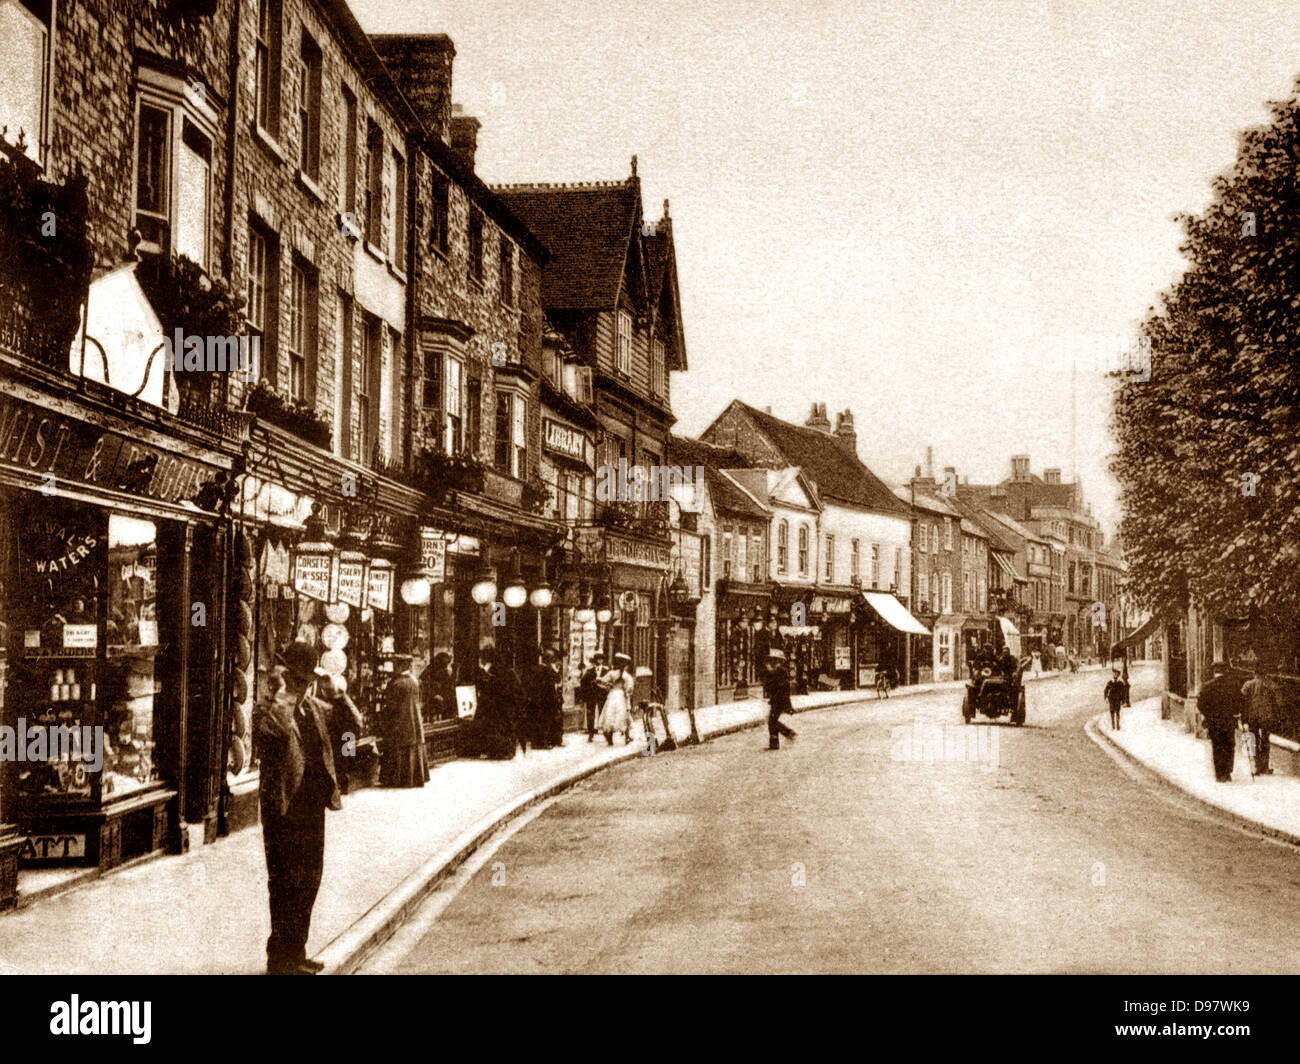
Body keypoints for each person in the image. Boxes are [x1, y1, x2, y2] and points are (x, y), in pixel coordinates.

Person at [253, 640, 362, 975]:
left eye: (307, 680)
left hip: (313, 807)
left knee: (309, 881)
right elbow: (275, 731)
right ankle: (279, 959)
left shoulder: (315, 707)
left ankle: (297, 951)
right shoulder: (266, 709)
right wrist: (285, 692)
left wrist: (338, 694)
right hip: (283, 809)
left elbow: (354, 728)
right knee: (285, 882)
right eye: (298, 680)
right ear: (285, 676)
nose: (304, 686)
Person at [381, 655, 428, 787]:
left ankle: (397, 779)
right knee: (413, 747)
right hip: (414, 721)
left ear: (400, 666)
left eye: (395, 665)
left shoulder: (396, 683)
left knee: (398, 748)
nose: (393, 668)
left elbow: (390, 706)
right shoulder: (414, 680)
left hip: (399, 722)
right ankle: (414, 778)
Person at [472, 645, 522, 760]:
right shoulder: (505, 669)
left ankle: (498, 751)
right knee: (505, 727)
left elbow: (487, 686)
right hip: (505, 705)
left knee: (497, 727)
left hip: (495, 705)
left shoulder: (490, 670)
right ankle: (506, 751)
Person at [1198, 660, 1242, 783]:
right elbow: (1239, 701)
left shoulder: (1207, 686)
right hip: (1228, 721)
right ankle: (1228, 772)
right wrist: (1235, 712)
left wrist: (1208, 715)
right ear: (1225, 671)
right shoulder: (1232, 685)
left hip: (1214, 723)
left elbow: (1200, 704)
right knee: (1229, 745)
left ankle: (1219, 774)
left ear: (1214, 671)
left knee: (1217, 746)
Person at [1242, 658, 1284, 776]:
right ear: (1265, 673)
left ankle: (1255, 767)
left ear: (1254, 673)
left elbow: (1242, 700)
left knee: (1253, 739)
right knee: (1265, 740)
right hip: (1267, 717)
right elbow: (1280, 702)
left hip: (1252, 717)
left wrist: (1243, 715)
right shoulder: (1271, 685)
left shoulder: (1248, 685)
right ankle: (1264, 767)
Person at [596, 652, 635, 745]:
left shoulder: (612, 673)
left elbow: (601, 681)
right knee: (624, 714)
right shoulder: (626, 676)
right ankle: (627, 736)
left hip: (612, 695)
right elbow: (629, 688)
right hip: (621, 696)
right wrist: (627, 693)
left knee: (609, 714)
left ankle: (609, 738)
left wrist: (607, 687)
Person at [764, 647, 797, 750]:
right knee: (772, 720)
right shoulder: (778, 670)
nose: (772, 661)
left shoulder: (780, 670)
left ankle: (787, 734)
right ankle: (777, 741)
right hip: (778, 700)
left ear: (778, 660)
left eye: (774, 659)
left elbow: (779, 687)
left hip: (779, 700)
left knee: (772, 721)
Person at [420, 650, 456, 723]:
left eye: (446, 666)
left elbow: (449, 687)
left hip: (444, 703)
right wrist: (433, 695)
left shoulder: (445, 673)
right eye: (444, 666)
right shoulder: (429, 671)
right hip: (431, 704)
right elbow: (423, 685)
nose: (445, 669)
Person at [578, 652, 607, 742]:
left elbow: (609, 682)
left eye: (601, 659)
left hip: (602, 695)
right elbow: (583, 682)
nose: (600, 661)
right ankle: (591, 733)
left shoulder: (606, 671)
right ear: (595, 660)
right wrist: (586, 692)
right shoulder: (590, 671)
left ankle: (606, 733)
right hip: (592, 695)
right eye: (598, 659)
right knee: (591, 714)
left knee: (603, 713)